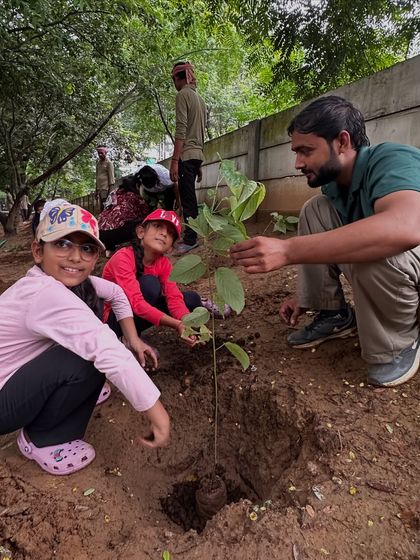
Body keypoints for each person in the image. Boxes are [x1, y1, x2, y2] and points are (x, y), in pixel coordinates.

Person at [231, 95, 420, 388]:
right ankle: (333, 313)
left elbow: (406, 228)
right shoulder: (334, 189)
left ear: (342, 142)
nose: (297, 163)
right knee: (315, 211)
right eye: (296, 152)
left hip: (411, 266)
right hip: (402, 268)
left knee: (375, 254)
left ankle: (398, 343)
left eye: (306, 151)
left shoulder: (392, 159)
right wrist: (307, 295)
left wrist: (287, 249)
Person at [0, 203, 169, 476]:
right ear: (38, 251)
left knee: (92, 352)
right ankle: (40, 439)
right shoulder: (46, 293)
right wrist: (158, 413)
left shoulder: (69, 281)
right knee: (88, 357)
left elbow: (115, 292)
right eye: (63, 244)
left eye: (87, 248)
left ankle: (53, 417)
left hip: (13, 377)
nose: (76, 257)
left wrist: (133, 339)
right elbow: (106, 349)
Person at [170, 61, 207, 254]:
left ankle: (191, 238)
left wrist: (175, 160)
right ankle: (191, 235)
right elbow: (200, 132)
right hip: (196, 154)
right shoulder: (199, 99)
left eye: (173, 79)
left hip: (187, 155)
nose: (173, 83)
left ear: (178, 77)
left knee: (187, 198)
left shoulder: (182, 95)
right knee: (189, 196)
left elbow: (182, 130)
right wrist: (199, 161)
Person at [98, 175, 149, 255]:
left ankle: (109, 249)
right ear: (136, 185)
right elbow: (145, 212)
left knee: (112, 221)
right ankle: (136, 247)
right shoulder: (134, 196)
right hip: (117, 234)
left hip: (100, 233)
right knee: (143, 222)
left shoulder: (113, 193)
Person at [95, 145, 115, 211]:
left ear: (105, 153)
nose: (100, 155)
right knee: (101, 207)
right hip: (99, 189)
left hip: (106, 189)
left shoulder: (109, 163)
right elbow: (97, 177)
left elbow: (111, 178)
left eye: (102, 153)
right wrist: (96, 190)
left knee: (106, 207)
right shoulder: (98, 164)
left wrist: (111, 191)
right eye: (99, 153)